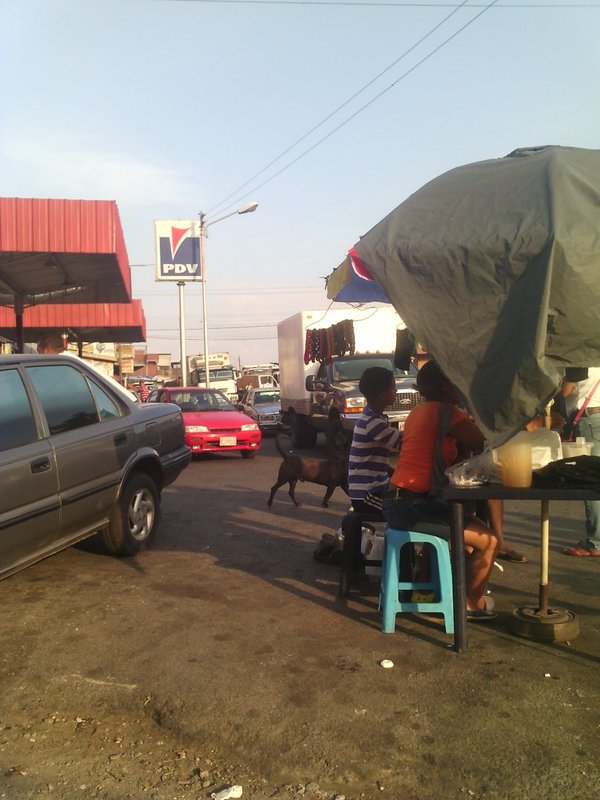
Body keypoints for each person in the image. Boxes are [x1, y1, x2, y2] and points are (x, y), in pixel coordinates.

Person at [382, 361, 499, 621]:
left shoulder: (417, 412)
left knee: (465, 544)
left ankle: (441, 597)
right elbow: (482, 441)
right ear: (448, 387)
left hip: (396, 502)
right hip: (412, 507)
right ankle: (469, 604)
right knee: (488, 540)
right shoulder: (448, 414)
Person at [347, 367, 403, 513]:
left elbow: (379, 465)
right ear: (381, 395)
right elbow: (405, 444)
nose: (396, 392)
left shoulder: (374, 418)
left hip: (373, 489)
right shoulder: (373, 423)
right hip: (367, 494)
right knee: (399, 512)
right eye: (393, 388)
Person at [562, 366, 600, 557]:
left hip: (591, 419)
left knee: (593, 479)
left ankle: (595, 543)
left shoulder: (578, 357)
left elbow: (566, 391)